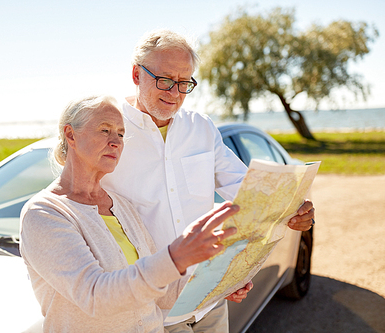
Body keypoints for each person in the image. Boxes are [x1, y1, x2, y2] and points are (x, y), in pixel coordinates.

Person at [101, 29, 315, 332]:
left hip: (208, 303)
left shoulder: (200, 128)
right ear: (136, 74)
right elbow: (79, 204)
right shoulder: (107, 131)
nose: (174, 93)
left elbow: (247, 191)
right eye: (164, 79)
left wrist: (293, 209)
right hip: (147, 312)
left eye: (184, 83)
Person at [20, 95, 242, 333]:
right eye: (105, 130)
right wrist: (175, 258)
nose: (116, 141)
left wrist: (219, 283)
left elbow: (161, 291)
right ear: (71, 135)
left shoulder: (121, 206)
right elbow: (96, 295)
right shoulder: (44, 213)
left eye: (121, 133)